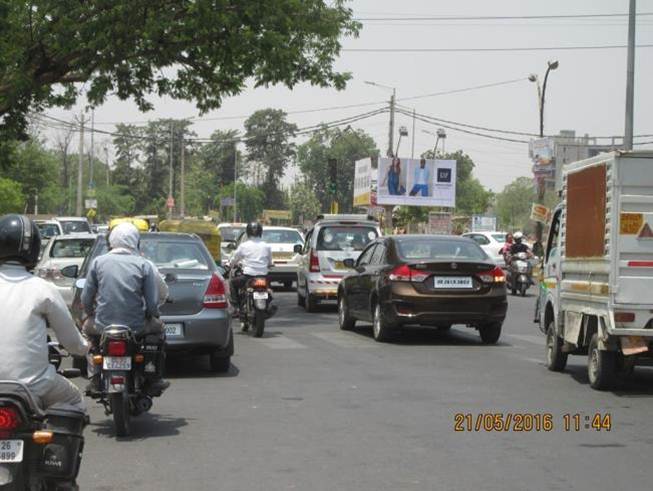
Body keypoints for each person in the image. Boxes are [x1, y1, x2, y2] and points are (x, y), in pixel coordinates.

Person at [0, 214, 88, 411]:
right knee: (75, 401)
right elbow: (71, 341)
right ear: (34, 249)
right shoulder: (43, 289)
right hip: (35, 385)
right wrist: (84, 348)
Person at [81, 222, 169, 395]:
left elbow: (86, 298)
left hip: (102, 326)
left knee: (86, 333)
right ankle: (153, 376)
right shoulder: (143, 265)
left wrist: (90, 314)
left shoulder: (98, 262)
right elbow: (152, 304)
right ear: (135, 242)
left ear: (111, 241)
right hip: (135, 327)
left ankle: (94, 376)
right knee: (159, 330)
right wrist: (153, 316)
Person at [229, 222, 272, 314]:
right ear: (260, 232)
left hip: (248, 277)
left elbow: (234, 259)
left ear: (248, 232)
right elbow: (270, 262)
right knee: (269, 290)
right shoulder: (267, 246)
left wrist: (229, 265)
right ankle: (267, 306)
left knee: (232, 282)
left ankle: (236, 307)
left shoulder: (243, 246)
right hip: (263, 276)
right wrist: (269, 265)